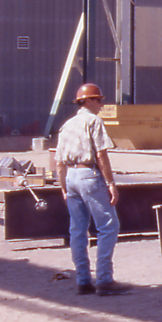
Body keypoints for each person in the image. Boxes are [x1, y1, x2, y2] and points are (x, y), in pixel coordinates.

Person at [54, 83, 126, 296]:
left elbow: (58, 161)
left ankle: (83, 281)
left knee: (77, 230)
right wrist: (111, 184)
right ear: (88, 101)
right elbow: (102, 154)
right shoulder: (93, 122)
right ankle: (104, 280)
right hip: (89, 175)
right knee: (109, 226)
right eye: (99, 100)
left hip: (71, 177)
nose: (101, 105)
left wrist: (63, 188)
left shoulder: (67, 125)